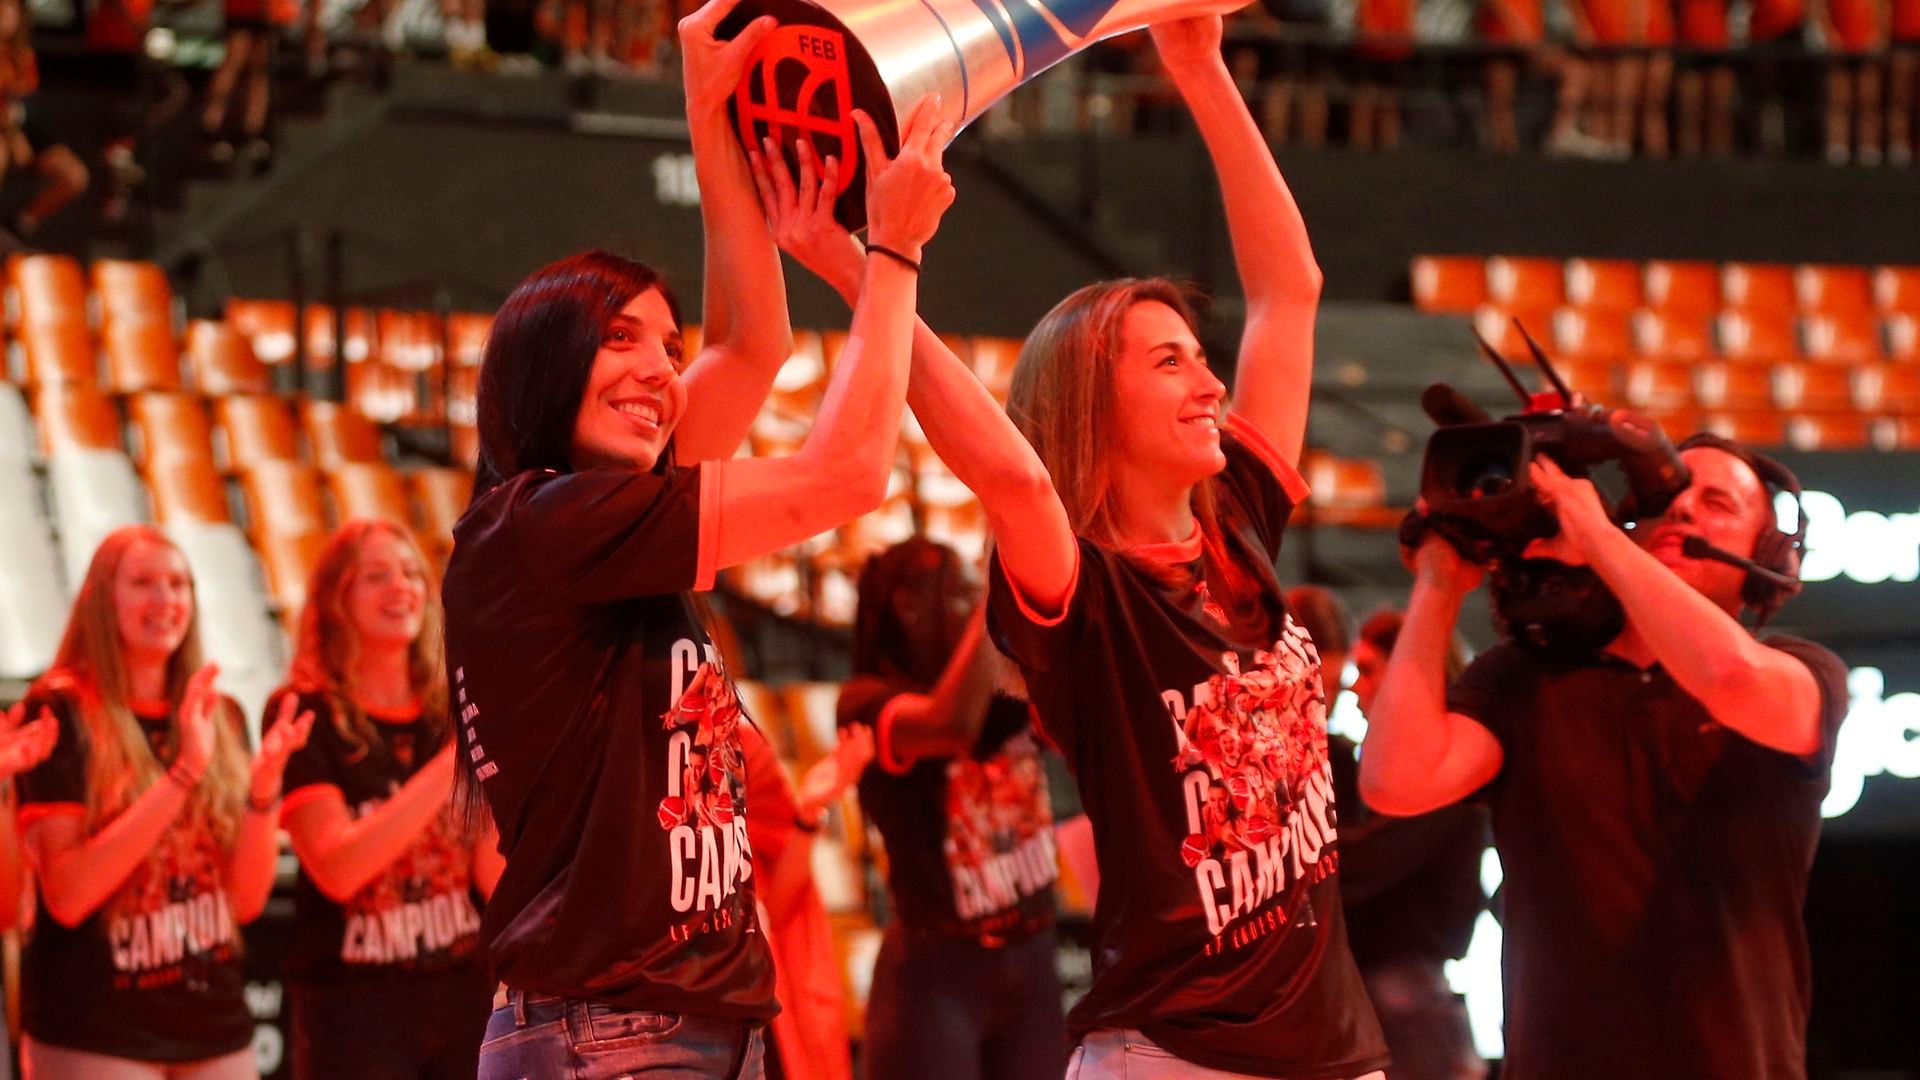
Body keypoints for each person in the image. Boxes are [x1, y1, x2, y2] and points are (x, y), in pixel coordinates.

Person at [754, 15, 1386, 1078]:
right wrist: (856, 267)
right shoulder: (1081, 591)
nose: (1210, 383)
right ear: (1093, 400)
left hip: (1334, 1051)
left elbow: (1291, 291)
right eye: (1171, 364)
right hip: (1174, 1055)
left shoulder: (1239, 521)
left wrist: (1198, 65)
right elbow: (1010, 473)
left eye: (1199, 357)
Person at [439, 0, 955, 1070]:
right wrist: (891, 252)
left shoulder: (596, 523)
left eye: (666, 347)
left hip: (689, 1022)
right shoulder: (541, 525)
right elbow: (850, 472)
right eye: (620, 338)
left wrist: (708, 109)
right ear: (541, 358)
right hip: (609, 1028)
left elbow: (755, 342)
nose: (661, 373)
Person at [1360, 435, 1849, 1079]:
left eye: (1717, 502)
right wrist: (1439, 585)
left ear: (1764, 550)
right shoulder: (1521, 678)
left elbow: (1731, 677)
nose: (1682, 511)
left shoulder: (1800, 668)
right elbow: (1397, 783)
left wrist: (1597, 538)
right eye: (1669, 495)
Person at [16, 524, 313, 1079]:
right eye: (144, 583)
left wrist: (265, 789)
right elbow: (69, 895)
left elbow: (243, 904)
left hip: (215, 1027)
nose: (165, 600)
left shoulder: (220, 715)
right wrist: (182, 775)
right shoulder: (58, 712)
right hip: (95, 1032)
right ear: (104, 600)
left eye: (179, 584)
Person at [268, 519, 503, 1080]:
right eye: (376, 576)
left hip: (461, 991)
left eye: (409, 574)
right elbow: (338, 868)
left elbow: (491, 873)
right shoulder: (303, 712)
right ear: (336, 599)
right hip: (352, 1005)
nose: (400, 587)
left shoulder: (452, 701)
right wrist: (454, 760)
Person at [834, 538, 1065, 1080]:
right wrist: (999, 590)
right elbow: (950, 727)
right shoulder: (867, 700)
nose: (974, 610)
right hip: (937, 976)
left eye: (974, 594)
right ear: (906, 606)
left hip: (1031, 957)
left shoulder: (1003, 687)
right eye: (959, 594)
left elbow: (1072, 730)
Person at [0, 0, 87, 245]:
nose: (4, 16)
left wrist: (18, 130)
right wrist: (11, 135)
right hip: (4, 135)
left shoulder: (23, 56)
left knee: (74, 175)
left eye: (9, 10)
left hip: (23, 130)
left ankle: (21, 223)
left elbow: (28, 107)